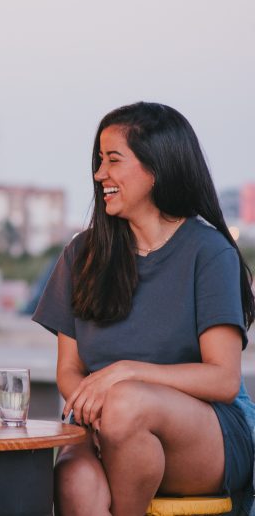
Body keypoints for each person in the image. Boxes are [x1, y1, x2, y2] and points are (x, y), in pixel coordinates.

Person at [32, 102, 255, 515]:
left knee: (127, 402)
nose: (100, 175)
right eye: (99, 161)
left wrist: (123, 374)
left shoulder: (209, 252)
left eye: (113, 160)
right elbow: (69, 370)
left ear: (157, 168)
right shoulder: (81, 254)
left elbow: (223, 379)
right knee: (74, 479)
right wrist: (98, 410)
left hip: (206, 437)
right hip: (102, 427)